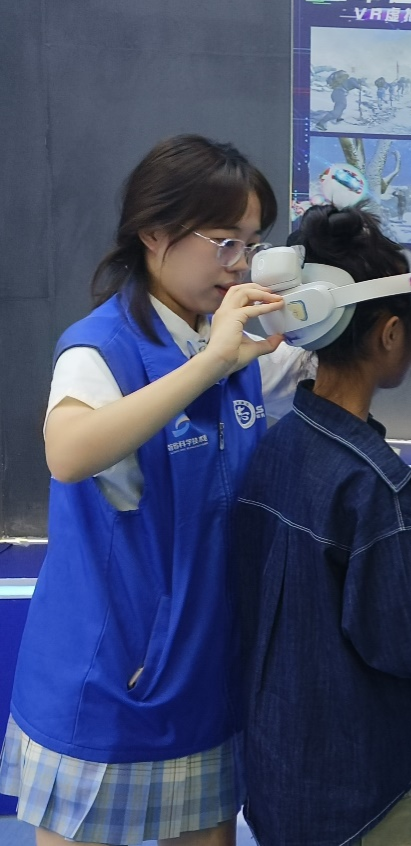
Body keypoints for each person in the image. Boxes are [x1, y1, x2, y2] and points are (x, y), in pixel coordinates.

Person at [0, 135, 314, 845]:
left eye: (252, 244)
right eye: (223, 242)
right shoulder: (100, 348)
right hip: (106, 680)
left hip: (203, 677)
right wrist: (210, 364)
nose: (239, 263)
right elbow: (69, 454)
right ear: (153, 233)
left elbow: (323, 367)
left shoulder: (235, 345)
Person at [233, 204, 411, 846]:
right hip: (369, 800)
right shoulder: (376, 485)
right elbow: (403, 639)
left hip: (281, 781)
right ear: (390, 334)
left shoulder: (273, 449)